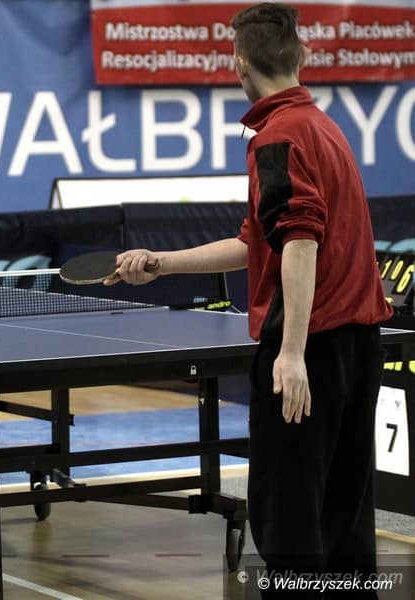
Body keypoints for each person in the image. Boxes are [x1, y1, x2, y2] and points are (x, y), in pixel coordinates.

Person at [113, 3, 391, 594]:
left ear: (239, 64)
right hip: (357, 347)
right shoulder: (321, 126)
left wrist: (290, 353)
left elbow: (300, 241)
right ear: (301, 57)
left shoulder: (279, 136)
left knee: (287, 519)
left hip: (309, 352)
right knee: (343, 516)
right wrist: (162, 264)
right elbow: (255, 241)